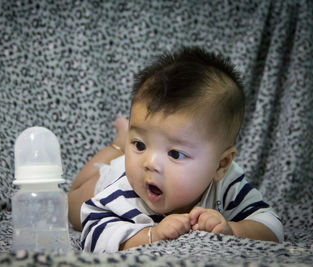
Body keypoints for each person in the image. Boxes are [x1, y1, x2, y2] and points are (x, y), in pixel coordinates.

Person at [68, 47, 284, 253]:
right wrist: (151, 235)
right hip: (111, 176)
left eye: (175, 154)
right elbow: (93, 234)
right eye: (140, 144)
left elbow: (272, 225)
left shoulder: (228, 186)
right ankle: (119, 143)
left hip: (133, 161)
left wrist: (234, 230)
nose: (150, 162)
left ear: (221, 164)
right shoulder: (124, 191)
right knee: (72, 205)